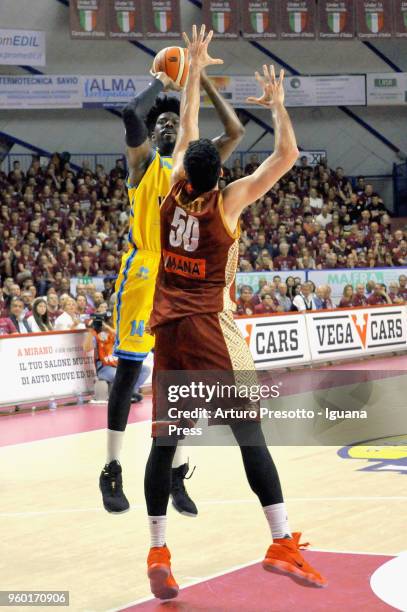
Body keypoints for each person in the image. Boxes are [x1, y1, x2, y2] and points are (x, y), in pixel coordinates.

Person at [144, 26, 326, 601]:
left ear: (183, 171)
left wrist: (192, 70)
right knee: (251, 436)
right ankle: (279, 540)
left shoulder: (171, 190)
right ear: (218, 176)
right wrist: (279, 106)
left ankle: (158, 550)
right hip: (207, 330)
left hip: (167, 332)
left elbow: (191, 130)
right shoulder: (226, 204)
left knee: (163, 446)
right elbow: (287, 156)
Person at [99, 33, 246, 516]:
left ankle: (177, 470)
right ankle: (112, 468)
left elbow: (223, 131)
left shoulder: (191, 167)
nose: (165, 129)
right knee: (128, 373)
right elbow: (129, 117)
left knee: (182, 382)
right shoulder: (144, 167)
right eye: (158, 124)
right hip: (144, 273)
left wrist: (198, 79)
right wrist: (162, 80)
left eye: (170, 124)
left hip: (183, 278)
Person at [83, 307, 150, 403]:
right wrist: (91, 331)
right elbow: (86, 348)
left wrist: (107, 328)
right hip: (105, 367)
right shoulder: (96, 333)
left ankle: (131, 392)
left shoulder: (115, 330)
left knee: (145, 370)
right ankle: (127, 395)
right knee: (120, 374)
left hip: (119, 363)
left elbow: (121, 337)